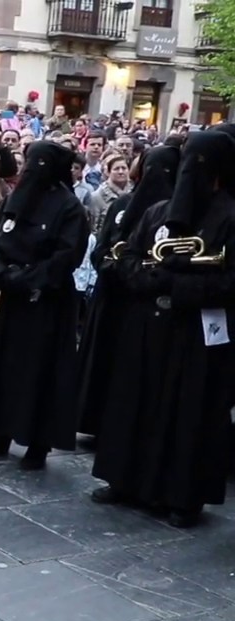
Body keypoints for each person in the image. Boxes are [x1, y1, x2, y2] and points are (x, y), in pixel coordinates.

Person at [90, 130, 235, 528]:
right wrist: (149, 278)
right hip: (147, 324)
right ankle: (125, 479)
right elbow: (130, 257)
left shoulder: (230, 218)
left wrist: (178, 283)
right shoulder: (157, 212)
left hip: (195, 333)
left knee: (187, 413)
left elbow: (229, 282)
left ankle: (182, 496)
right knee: (135, 401)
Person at [0, 141, 89, 470]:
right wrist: (2, 272)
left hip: (45, 302)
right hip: (7, 298)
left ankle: (38, 443)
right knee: (0, 366)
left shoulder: (69, 207)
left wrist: (31, 278)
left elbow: (67, 255)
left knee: (40, 372)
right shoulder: (11, 201)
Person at [75, 146, 180, 441]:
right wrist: (115, 265)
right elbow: (102, 247)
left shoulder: (178, 211)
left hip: (146, 304)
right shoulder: (123, 205)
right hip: (113, 297)